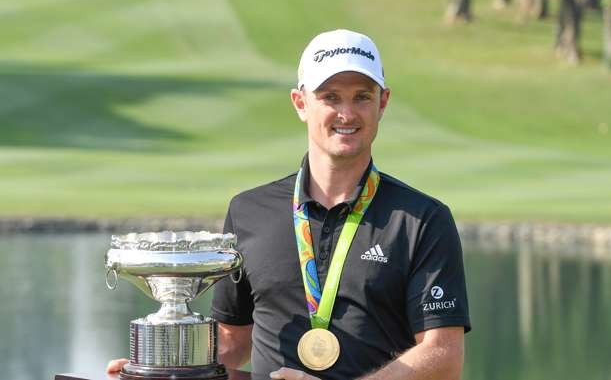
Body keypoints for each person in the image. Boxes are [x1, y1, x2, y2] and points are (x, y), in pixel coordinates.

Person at [108, 29, 470, 380]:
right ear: (301, 103)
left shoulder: (422, 219)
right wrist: (164, 368)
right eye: (330, 97)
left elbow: (443, 356)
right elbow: (233, 343)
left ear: (383, 103)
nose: (347, 113)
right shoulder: (249, 212)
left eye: (362, 96)